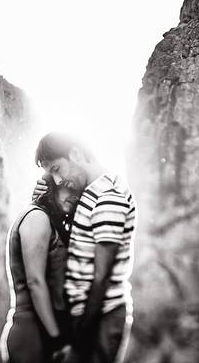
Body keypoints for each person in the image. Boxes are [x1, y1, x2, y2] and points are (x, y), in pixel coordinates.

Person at [36, 132, 136, 363]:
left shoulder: (108, 197)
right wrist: (40, 201)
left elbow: (102, 277)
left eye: (57, 168)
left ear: (77, 153)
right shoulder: (91, 192)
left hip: (102, 317)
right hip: (89, 317)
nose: (58, 180)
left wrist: (79, 342)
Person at [1, 174, 79, 362]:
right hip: (32, 334)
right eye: (67, 187)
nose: (73, 195)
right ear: (50, 187)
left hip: (40, 331)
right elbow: (35, 281)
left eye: (76, 190)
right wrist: (57, 338)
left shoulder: (51, 220)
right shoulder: (37, 217)